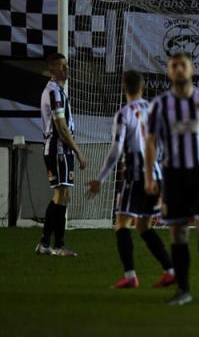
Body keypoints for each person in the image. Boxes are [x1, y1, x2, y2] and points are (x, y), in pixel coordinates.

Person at [144, 53, 199, 306]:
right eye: (174, 66)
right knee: (178, 232)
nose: (179, 70)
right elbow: (151, 141)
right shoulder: (159, 104)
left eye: (183, 65)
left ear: (192, 69)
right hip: (174, 175)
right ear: (169, 72)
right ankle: (184, 289)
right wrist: (150, 176)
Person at [87, 70, 176, 289]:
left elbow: (116, 150)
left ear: (123, 88)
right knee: (144, 226)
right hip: (156, 174)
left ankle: (130, 275)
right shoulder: (155, 110)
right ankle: (170, 270)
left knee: (122, 224)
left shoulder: (124, 114)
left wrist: (100, 178)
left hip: (136, 174)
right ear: (143, 87)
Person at [36, 52, 86, 256]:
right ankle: (57, 246)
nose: (66, 68)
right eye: (61, 66)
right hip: (58, 148)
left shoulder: (56, 90)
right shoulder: (54, 92)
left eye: (66, 65)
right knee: (61, 194)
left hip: (57, 148)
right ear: (52, 70)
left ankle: (46, 244)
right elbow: (61, 127)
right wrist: (78, 151)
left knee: (62, 195)